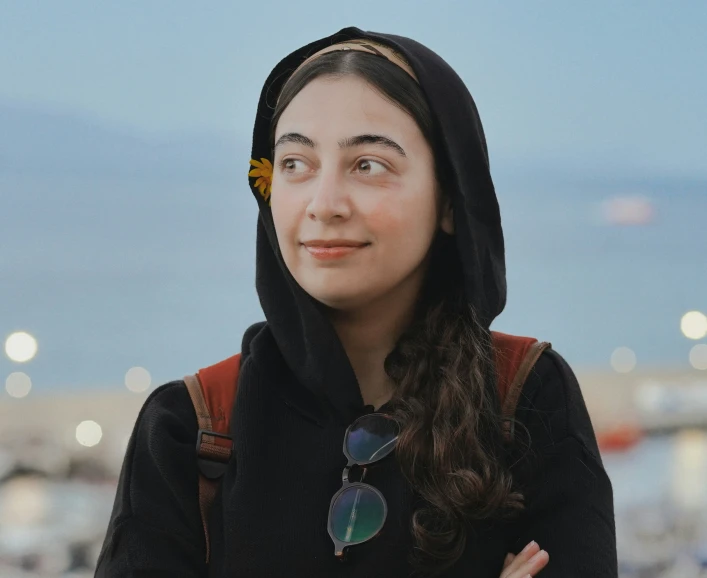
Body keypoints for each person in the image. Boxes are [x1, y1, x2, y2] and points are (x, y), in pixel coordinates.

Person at [95, 27, 617, 577]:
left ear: (450, 197)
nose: (324, 204)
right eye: (295, 163)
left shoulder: (526, 399)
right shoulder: (191, 428)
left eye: (368, 164)